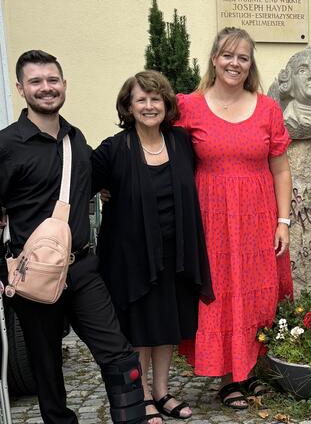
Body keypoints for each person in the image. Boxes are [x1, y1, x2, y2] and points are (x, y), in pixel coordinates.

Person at [0, 50, 145, 424]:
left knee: (120, 355)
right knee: (47, 370)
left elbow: (91, 182)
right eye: (36, 81)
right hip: (34, 276)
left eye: (52, 80)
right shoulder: (6, 146)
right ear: (20, 88)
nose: (46, 88)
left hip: (81, 269)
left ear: (64, 85)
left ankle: (132, 418)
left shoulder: (75, 141)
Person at [175, 27, 293, 409]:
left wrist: (284, 221)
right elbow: (162, 155)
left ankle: (251, 371)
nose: (234, 63)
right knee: (221, 294)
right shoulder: (187, 106)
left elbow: (281, 169)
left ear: (250, 64)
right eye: (228, 55)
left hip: (258, 217)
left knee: (259, 294)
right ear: (213, 58)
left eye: (243, 57)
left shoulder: (267, 108)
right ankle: (228, 378)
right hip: (210, 219)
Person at [92, 71, 214, 422]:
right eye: (141, 99)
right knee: (140, 329)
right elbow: (80, 185)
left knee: (167, 325)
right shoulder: (114, 149)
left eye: (155, 99)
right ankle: (142, 395)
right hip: (131, 256)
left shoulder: (180, 142)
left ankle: (161, 391)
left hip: (175, 252)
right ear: (129, 107)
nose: (149, 106)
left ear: (166, 104)